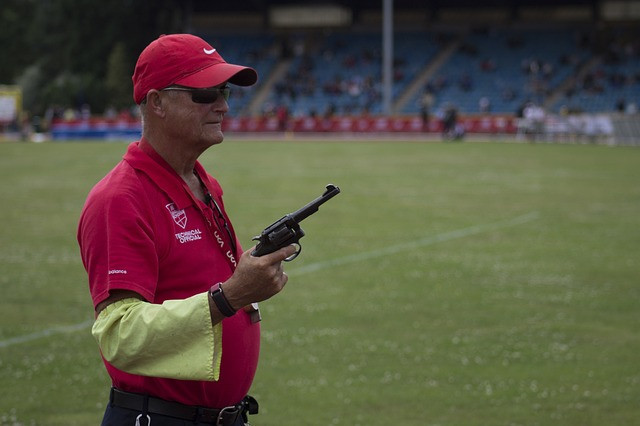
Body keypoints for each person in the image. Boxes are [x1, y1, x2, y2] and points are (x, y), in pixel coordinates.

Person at [77, 33, 297, 426]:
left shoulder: (203, 182)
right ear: (157, 102)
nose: (224, 106)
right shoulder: (120, 198)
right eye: (205, 95)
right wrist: (230, 296)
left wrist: (251, 276)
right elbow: (119, 334)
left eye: (225, 91)